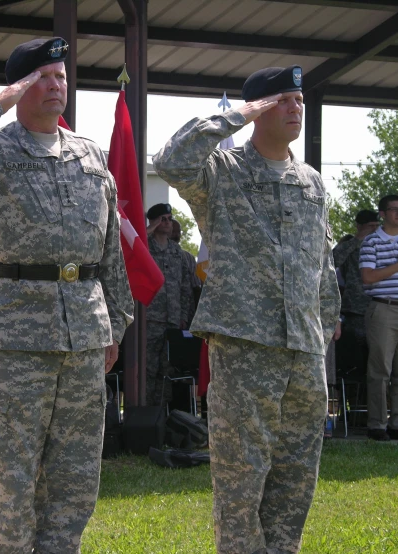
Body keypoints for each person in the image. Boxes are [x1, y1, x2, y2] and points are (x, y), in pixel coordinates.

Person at [0, 37, 133, 553]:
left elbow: (110, 252)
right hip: (14, 340)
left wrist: (115, 326)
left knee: (75, 482)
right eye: (43, 77)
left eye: (61, 76)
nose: (57, 85)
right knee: (13, 483)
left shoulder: (89, 156)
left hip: (83, 337)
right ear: (19, 88)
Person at [154, 65, 340, 553]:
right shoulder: (223, 172)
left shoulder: (313, 183)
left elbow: (322, 266)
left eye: (300, 100)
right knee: (240, 479)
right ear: (257, 109)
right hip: (245, 348)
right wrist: (236, 115)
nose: (296, 107)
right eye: (284, 99)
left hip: (303, 350)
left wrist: (325, 328)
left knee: (295, 476)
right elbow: (171, 160)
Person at [144, 203, 194, 405]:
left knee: (167, 370)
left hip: (172, 320)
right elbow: (130, 247)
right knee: (147, 368)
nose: (168, 223)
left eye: (169, 219)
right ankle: (145, 412)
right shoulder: (145, 246)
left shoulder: (177, 252)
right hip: (149, 319)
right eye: (162, 219)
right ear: (154, 221)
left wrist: (183, 316)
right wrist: (149, 229)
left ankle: (162, 417)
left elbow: (185, 288)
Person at [359, 194, 398, 441]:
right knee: (380, 370)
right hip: (383, 308)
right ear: (382, 213)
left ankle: (396, 424)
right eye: (394, 209)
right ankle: (376, 425)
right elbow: (368, 277)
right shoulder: (371, 242)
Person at [333, 209, 379, 374]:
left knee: (378, 363)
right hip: (355, 312)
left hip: (380, 308)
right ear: (359, 226)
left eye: (376, 226)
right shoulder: (351, 246)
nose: (374, 230)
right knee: (354, 362)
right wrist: (358, 239)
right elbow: (332, 261)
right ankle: (354, 397)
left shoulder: (383, 243)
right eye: (370, 226)